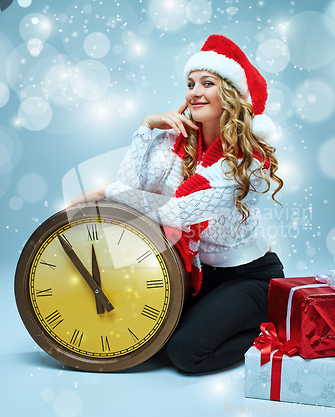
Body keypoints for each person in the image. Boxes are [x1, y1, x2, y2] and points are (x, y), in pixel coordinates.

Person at [67, 34, 284, 374]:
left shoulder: (247, 160)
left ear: (231, 93)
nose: (194, 92)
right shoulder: (174, 141)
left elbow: (175, 212)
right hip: (195, 273)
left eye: (207, 83)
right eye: (190, 83)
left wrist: (105, 192)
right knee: (149, 340)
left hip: (249, 277)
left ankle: (274, 330)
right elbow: (130, 186)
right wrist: (146, 127)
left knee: (186, 354)